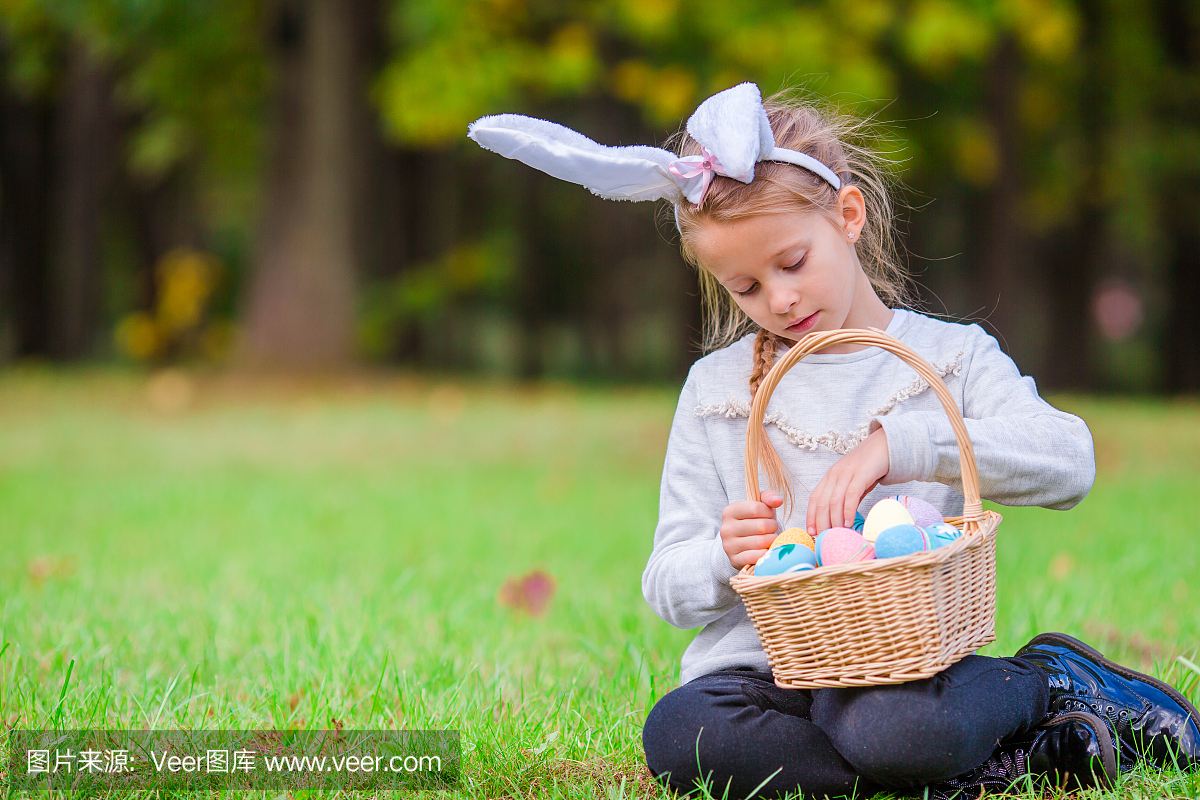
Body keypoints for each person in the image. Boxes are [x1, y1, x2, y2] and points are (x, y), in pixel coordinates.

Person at [467, 83, 1200, 799]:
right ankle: (989, 767)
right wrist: (723, 555)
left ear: (848, 216)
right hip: (766, 680)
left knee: (892, 727)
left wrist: (905, 445)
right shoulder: (717, 392)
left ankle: (1044, 681)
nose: (779, 299)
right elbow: (666, 582)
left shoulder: (950, 360)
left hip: (900, 676)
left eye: (792, 263)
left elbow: (1070, 461)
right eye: (746, 287)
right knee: (682, 734)